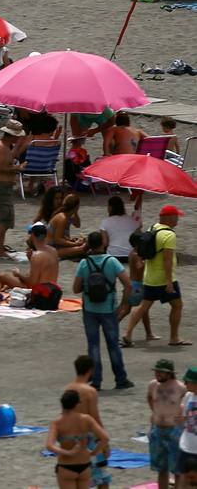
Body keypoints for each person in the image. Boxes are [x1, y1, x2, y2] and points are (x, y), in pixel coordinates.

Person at [125, 204, 187, 347]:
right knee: (177, 305)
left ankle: (127, 333)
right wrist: (169, 282)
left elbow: (141, 251)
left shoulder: (151, 228)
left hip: (149, 278)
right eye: (176, 216)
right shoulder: (169, 235)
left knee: (143, 306)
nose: (178, 219)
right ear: (170, 218)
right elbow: (167, 260)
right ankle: (174, 337)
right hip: (163, 279)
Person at [47, 388, 108, 489]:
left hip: (66, 465)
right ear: (76, 404)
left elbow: (49, 445)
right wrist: (94, 452)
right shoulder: (86, 419)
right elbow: (105, 438)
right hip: (84, 464)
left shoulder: (57, 422)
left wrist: (69, 453)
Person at [0, 120, 26, 256]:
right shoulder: (1, 146)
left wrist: (20, 146)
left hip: (2, 186)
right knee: (6, 220)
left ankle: (0, 248)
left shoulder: (5, 146)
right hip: (0, 186)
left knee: (2, 220)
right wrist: (17, 168)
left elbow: (7, 160)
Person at [147, 359, 185, 489]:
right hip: (157, 430)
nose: (157, 374)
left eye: (161, 372)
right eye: (156, 371)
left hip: (174, 430)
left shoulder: (180, 387)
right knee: (161, 468)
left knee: (178, 469)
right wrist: (155, 413)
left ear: (169, 373)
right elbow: (149, 397)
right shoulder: (153, 385)